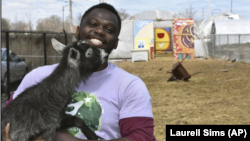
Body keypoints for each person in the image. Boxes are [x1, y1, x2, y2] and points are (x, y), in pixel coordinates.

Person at [3, 3, 156, 141]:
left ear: (115, 43)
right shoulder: (37, 77)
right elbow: (6, 121)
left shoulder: (129, 86)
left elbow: (142, 137)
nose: (99, 31)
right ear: (78, 32)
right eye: (93, 24)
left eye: (109, 29)